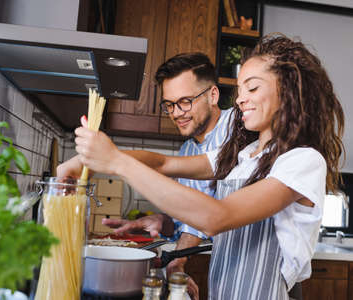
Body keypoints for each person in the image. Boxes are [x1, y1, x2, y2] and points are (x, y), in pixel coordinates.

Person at [63, 33, 345, 299]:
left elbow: (216, 217)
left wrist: (115, 161)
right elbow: (162, 163)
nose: (240, 99)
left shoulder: (302, 161)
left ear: (288, 91)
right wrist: (86, 160)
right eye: (239, 89)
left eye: (253, 87)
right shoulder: (244, 156)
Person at [59, 52, 232, 300]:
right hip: (218, 276)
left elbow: (202, 216)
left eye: (185, 101)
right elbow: (188, 215)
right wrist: (164, 222)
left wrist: (177, 262)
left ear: (213, 95)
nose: (176, 113)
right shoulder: (188, 148)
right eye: (169, 104)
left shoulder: (236, 129)